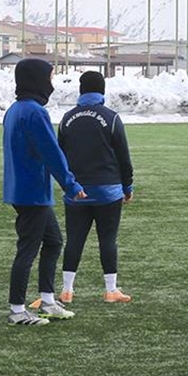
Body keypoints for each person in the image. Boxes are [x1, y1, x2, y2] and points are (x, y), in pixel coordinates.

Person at [3, 58, 87, 326]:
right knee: (28, 249)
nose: (51, 84)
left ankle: (48, 300)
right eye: (49, 78)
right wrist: (71, 184)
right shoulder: (35, 112)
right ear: (37, 80)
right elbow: (51, 152)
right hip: (32, 192)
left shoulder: (15, 110)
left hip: (21, 188)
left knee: (53, 241)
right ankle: (17, 311)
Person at [54, 71, 135, 305]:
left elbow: (60, 156)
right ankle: (111, 290)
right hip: (108, 191)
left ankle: (67, 290)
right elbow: (124, 157)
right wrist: (127, 186)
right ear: (102, 91)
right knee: (108, 239)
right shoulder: (112, 118)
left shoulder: (67, 119)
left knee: (74, 239)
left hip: (76, 191)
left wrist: (67, 185)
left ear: (81, 91)